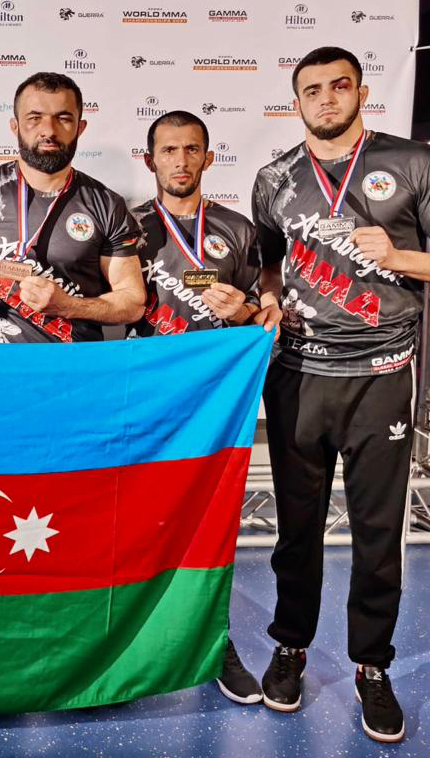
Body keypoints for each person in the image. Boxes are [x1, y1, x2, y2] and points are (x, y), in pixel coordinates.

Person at [251, 46, 430, 742]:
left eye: (339, 86)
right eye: (312, 90)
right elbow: (270, 263)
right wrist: (271, 300)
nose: (325, 99)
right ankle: (290, 648)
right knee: (296, 529)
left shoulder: (413, 162)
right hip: (299, 375)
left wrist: (399, 256)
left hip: (383, 375)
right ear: (296, 101)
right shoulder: (274, 178)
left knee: (378, 533)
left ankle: (372, 666)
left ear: (361, 92)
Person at [130, 109, 281, 704]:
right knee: (136, 526)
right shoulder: (126, 227)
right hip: (144, 398)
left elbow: (261, 318)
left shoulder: (238, 230)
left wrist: (242, 310)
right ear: (151, 160)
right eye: (169, 150)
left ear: (209, 157)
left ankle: (216, 645)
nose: (181, 160)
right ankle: (127, 643)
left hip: (212, 403)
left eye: (192, 149)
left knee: (209, 527)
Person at [0, 72, 145, 342]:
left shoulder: (106, 204)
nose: (49, 131)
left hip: (73, 364)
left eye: (63, 118)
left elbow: (132, 302)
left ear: (80, 127)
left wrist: (69, 306)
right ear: (15, 126)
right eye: (34, 118)